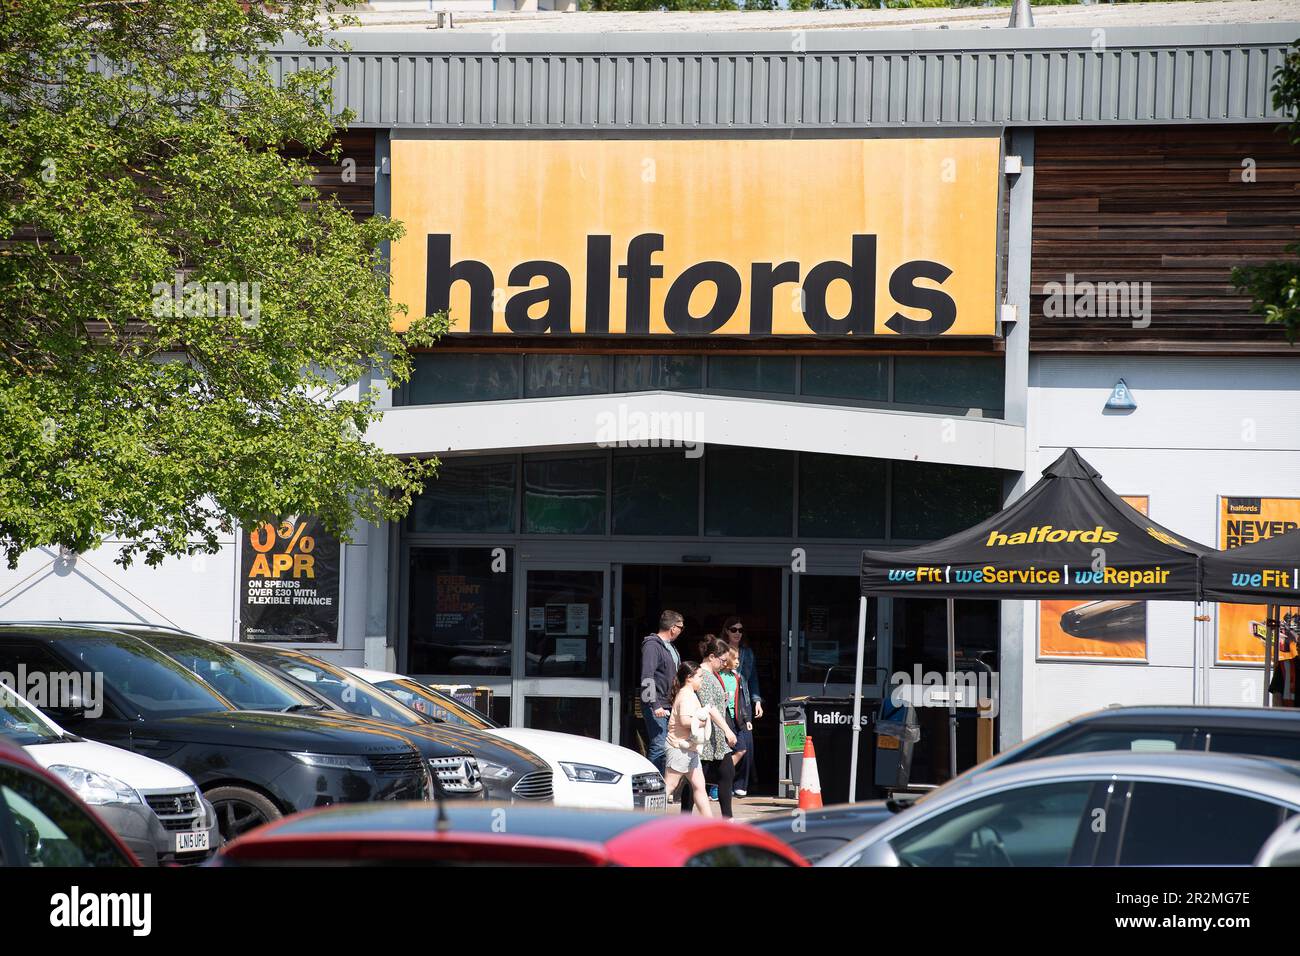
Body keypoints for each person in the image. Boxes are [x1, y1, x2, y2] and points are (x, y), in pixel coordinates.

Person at [695, 636, 739, 818]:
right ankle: (684, 816)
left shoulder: (713, 675)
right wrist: (728, 730)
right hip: (706, 737)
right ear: (712, 656)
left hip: (716, 738)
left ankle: (727, 819)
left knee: (726, 774)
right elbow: (709, 707)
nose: (724, 664)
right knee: (697, 781)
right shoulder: (703, 675)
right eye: (722, 660)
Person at [664, 662, 712, 817]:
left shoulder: (689, 694)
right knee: (670, 785)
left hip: (689, 748)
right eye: (699, 677)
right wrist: (702, 722)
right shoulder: (686, 695)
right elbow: (685, 721)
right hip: (679, 747)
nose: (701, 680)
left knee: (699, 786)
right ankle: (649, 820)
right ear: (689, 678)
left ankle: (710, 823)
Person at [640, 609, 684, 775]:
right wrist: (655, 704)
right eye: (681, 627)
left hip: (668, 703)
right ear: (673, 628)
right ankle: (652, 784)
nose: (681, 631)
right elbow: (647, 677)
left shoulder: (669, 647)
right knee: (659, 745)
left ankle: (664, 786)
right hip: (657, 704)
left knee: (667, 746)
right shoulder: (652, 645)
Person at [723, 616, 763, 795]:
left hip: (744, 702)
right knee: (724, 745)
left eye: (740, 630)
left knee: (746, 744)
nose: (737, 633)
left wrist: (757, 700)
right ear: (726, 631)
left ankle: (740, 784)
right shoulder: (720, 650)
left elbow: (752, 678)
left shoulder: (748, 652)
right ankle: (722, 783)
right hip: (724, 702)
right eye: (733, 629)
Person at [723, 645, 756, 798]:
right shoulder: (718, 677)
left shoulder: (736, 678)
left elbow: (740, 700)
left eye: (737, 658)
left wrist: (746, 719)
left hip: (737, 719)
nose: (737, 662)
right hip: (723, 719)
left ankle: (721, 778)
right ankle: (720, 783)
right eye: (734, 659)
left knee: (742, 748)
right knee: (725, 751)